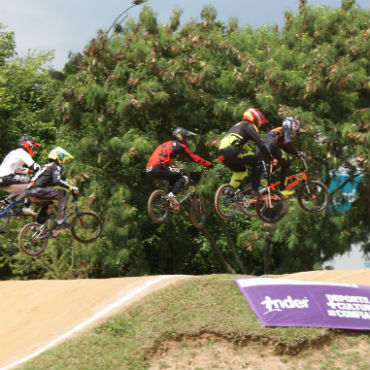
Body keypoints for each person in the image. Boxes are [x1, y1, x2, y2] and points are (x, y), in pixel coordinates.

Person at [146, 127, 212, 208]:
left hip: (149, 170)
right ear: (181, 137)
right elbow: (193, 157)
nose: (187, 141)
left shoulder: (166, 144)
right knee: (184, 176)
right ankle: (172, 195)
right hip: (158, 167)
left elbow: (164, 160)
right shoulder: (179, 146)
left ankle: (169, 200)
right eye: (186, 138)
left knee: (175, 174)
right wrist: (208, 164)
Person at [217, 107, 273, 196]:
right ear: (255, 119)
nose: (260, 124)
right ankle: (255, 190)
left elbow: (246, 149)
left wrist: (252, 155)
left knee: (241, 170)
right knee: (258, 161)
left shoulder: (237, 126)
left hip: (220, 153)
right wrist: (270, 158)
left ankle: (230, 191)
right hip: (232, 150)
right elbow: (261, 144)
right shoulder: (249, 126)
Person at [25, 147, 79, 231]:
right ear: (59, 158)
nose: (63, 162)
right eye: (63, 160)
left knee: (49, 205)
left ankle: (37, 225)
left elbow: (51, 182)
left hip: (29, 194)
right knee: (64, 194)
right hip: (38, 191)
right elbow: (57, 180)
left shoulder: (45, 167)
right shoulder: (55, 166)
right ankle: (60, 223)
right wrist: (71, 188)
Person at [258, 117, 306, 196]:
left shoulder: (278, 132)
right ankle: (282, 189)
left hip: (260, 149)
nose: (294, 134)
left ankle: (259, 189)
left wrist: (296, 153)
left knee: (269, 170)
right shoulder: (286, 129)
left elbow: (287, 147)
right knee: (287, 163)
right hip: (270, 148)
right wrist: (298, 153)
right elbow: (288, 143)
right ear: (292, 126)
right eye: (295, 131)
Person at [0, 136, 41, 215]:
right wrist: (42, 170)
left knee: (22, 192)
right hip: (6, 178)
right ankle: (26, 207)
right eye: (33, 147)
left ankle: (4, 204)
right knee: (32, 183)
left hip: (2, 179)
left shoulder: (14, 153)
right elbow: (36, 167)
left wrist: (30, 171)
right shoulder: (23, 154)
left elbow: (17, 169)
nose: (33, 150)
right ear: (29, 145)